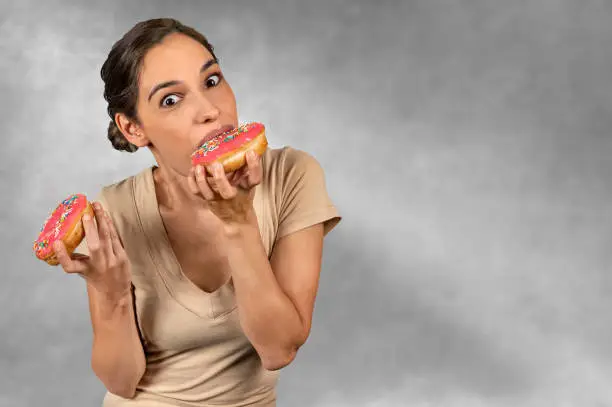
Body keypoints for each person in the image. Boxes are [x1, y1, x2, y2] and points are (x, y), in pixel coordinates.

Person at [53, 18, 341, 407]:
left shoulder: (292, 176)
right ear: (134, 128)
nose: (209, 110)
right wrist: (112, 294)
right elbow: (121, 382)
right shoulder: (114, 210)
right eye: (171, 100)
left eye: (212, 81)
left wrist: (238, 222)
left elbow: (279, 349)